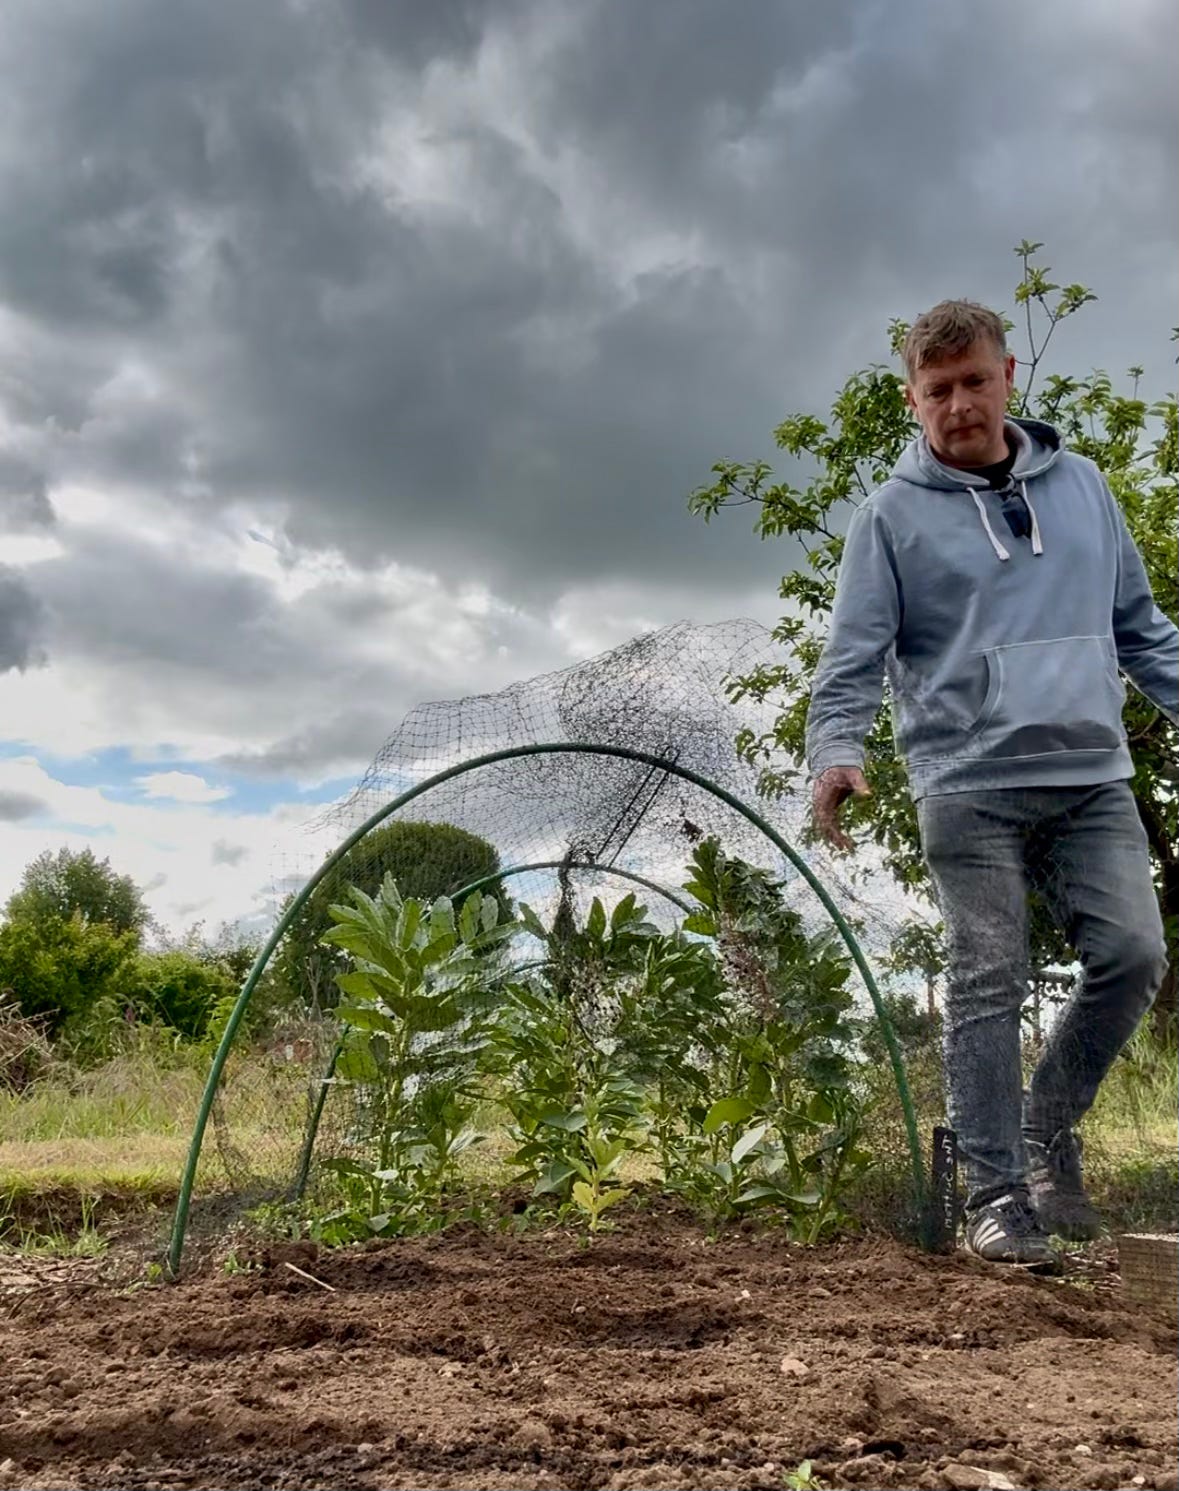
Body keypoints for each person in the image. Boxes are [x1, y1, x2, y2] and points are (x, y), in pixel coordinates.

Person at [805, 299, 1178, 1266]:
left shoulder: (1084, 487)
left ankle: (1045, 1129)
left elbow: (1140, 630)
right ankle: (995, 1195)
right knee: (988, 972)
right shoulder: (888, 519)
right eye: (938, 391)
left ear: (1008, 375)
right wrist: (835, 749)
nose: (959, 404)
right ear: (912, 400)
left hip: (1090, 772)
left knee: (1134, 955)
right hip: (966, 780)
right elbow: (852, 656)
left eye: (974, 381)